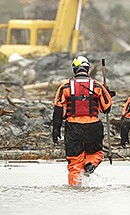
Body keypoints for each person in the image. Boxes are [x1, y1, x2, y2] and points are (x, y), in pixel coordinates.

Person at [52, 56, 113, 186]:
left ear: (75, 69)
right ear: (87, 69)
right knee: (95, 153)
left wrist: (55, 130)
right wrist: (107, 92)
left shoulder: (65, 87)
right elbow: (106, 109)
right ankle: (90, 164)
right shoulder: (97, 86)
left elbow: (58, 109)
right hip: (93, 126)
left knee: (74, 161)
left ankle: (75, 189)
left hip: (73, 127)